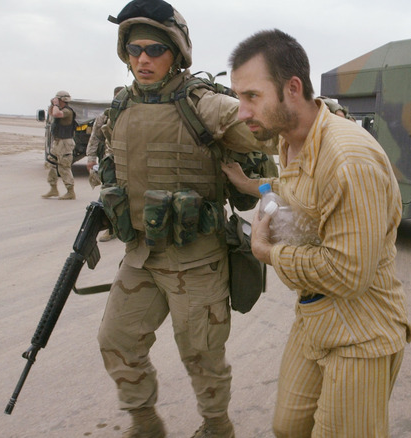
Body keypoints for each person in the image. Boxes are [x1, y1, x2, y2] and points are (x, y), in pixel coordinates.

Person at [223, 29, 411, 437]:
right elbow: (295, 194)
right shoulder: (290, 140)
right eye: (239, 97)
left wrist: (266, 250)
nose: (242, 112)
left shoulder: (347, 159)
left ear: (292, 88)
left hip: (361, 330)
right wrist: (249, 187)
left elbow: (348, 273)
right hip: (312, 316)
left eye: (252, 97)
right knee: (289, 427)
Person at [96, 1, 272, 437]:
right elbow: (105, 164)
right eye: (134, 48)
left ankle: (216, 427)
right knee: (116, 341)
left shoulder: (206, 107)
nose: (143, 59)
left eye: (155, 48)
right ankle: (145, 421)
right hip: (140, 258)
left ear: (176, 51)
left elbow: (273, 130)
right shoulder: (119, 108)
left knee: (202, 355)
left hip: (196, 262)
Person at [86, 86, 124, 242]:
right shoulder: (105, 116)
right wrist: (91, 158)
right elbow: (95, 137)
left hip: (132, 161)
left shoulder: (136, 113)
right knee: (108, 193)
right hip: (111, 160)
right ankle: (111, 227)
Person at [41, 90, 76, 200]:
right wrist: (53, 105)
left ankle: (70, 191)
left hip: (65, 143)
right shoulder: (59, 109)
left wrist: (55, 105)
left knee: (64, 166)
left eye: (58, 100)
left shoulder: (67, 111)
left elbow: (56, 114)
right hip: (57, 142)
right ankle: (53, 188)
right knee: (52, 164)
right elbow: (52, 113)